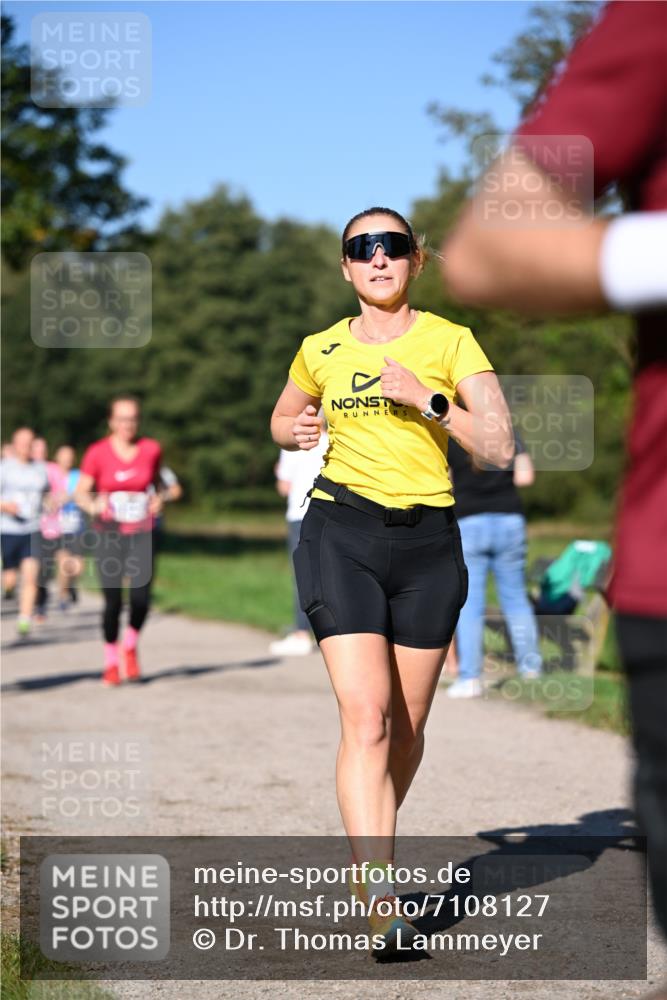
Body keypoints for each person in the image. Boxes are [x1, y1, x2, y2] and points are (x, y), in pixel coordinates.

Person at [441, 0, 667, 939]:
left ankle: (496, 672)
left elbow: (503, 466)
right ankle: (507, 670)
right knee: (491, 596)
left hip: (488, 522)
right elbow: (490, 246)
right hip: (601, 542)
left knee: (492, 596)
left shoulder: (470, 422)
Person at [270, 207, 514, 957]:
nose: (378, 258)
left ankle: (366, 850)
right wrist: (295, 430)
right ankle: (381, 895)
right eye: (362, 248)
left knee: (405, 729)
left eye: (393, 246)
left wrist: (428, 401)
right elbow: (282, 419)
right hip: (340, 531)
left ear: (416, 259)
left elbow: (499, 444)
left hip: (429, 544)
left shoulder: (450, 340)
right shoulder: (319, 348)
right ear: (346, 265)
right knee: (367, 718)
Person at [75, 396, 163, 686]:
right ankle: (111, 661)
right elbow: (81, 492)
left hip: (142, 532)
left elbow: (159, 486)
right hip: (108, 533)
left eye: (133, 418)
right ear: (111, 421)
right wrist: (94, 506)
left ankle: (130, 645)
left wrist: (158, 500)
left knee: (141, 599)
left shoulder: (151, 449)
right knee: (112, 601)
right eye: (122, 419)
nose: (128, 424)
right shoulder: (97, 452)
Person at [446, 435, 542, 698]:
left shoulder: (454, 434)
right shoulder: (508, 433)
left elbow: (448, 482)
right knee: (516, 598)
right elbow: (525, 477)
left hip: (469, 521)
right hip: (509, 518)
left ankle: (470, 678)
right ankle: (531, 669)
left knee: (470, 603)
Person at [270, 425, 329, 656]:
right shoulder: (335, 439)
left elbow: (284, 486)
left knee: (303, 577)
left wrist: (279, 473)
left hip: (301, 514)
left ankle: (301, 633)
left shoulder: (294, 443)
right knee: (330, 575)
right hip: (332, 514)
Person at [0, 427, 49, 637]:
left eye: (30, 443)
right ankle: (9, 588)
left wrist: (50, 504)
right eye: (22, 442)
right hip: (8, 528)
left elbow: (46, 495)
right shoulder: (5, 468)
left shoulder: (40, 469)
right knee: (10, 578)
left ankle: (24, 618)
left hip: (32, 528)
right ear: (15, 444)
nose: (26, 447)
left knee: (31, 576)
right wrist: (5, 506)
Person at [37, 446, 85, 612]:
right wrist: (49, 501)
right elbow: (41, 493)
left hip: (75, 526)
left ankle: (70, 586)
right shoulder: (49, 472)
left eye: (70, 456)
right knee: (62, 562)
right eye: (64, 456)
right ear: (57, 457)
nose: (67, 459)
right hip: (56, 527)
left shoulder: (78, 476)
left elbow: (85, 494)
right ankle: (63, 595)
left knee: (78, 567)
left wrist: (71, 496)